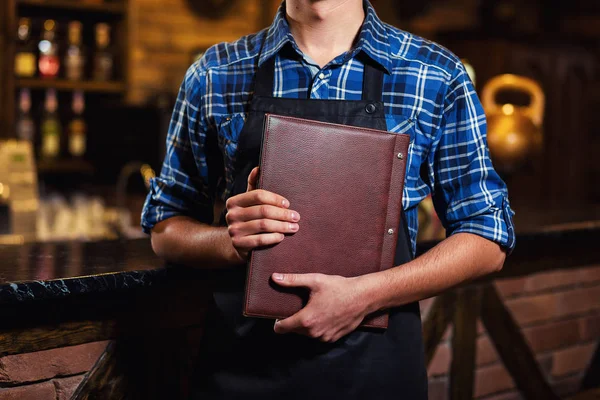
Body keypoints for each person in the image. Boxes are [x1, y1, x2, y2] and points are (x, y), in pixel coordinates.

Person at [141, 0, 516, 398]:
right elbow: (165, 228)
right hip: (242, 370)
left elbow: (488, 236)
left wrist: (365, 295)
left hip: (376, 375)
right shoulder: (215, 72)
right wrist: (230, 243)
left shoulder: (436, 73)